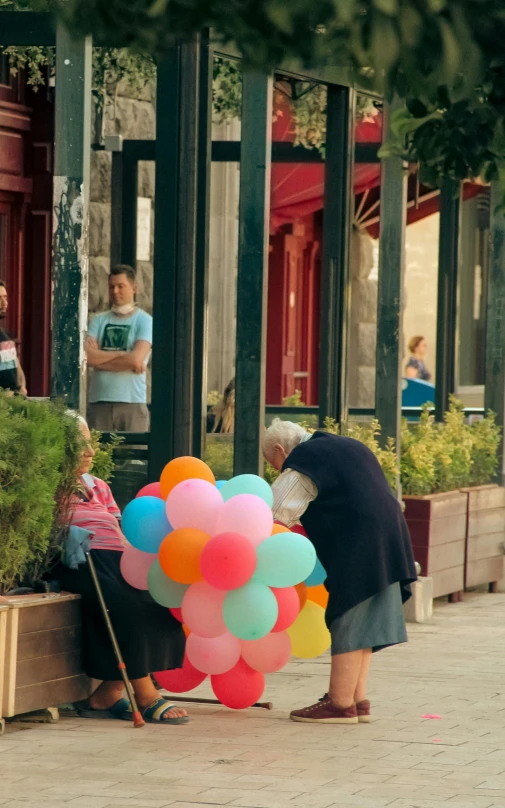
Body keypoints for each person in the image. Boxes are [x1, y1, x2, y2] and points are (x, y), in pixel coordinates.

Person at [262, 420, 417, 725]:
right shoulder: (346, 445)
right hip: (390, 537)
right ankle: (357, 699)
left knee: (348, 613)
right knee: (366, 617)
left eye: (274, 464)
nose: (279, 471)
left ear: (281, 450)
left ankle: (339, 704)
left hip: (358, 542)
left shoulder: (306, 458)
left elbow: (275, 512)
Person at [57, 415, 188, 724]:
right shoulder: (47, 482)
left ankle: (106, 694)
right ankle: (146, 694)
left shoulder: (98, 486)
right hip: (81, 559)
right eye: (80, 444)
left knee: (158, 605)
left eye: (91, 443)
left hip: (120, 560)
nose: (89, 451)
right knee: (126, 608)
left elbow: (119, 526)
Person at [86, 265, 152, 432]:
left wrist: (100, 358)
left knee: (133, 456)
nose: (115, 291)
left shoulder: (144, 321)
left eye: (121, 286)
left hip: (132, 401)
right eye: (111, 287)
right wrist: (123, 355)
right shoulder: (98, 320)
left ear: (134, 288)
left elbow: (136, 359)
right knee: (97, 455)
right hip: (99, 401)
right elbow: (87, 357)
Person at [0, 280, 27, 395]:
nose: (4, 303)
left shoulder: (4, 336)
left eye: (5, 297)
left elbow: (13, 368)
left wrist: (21, 388)